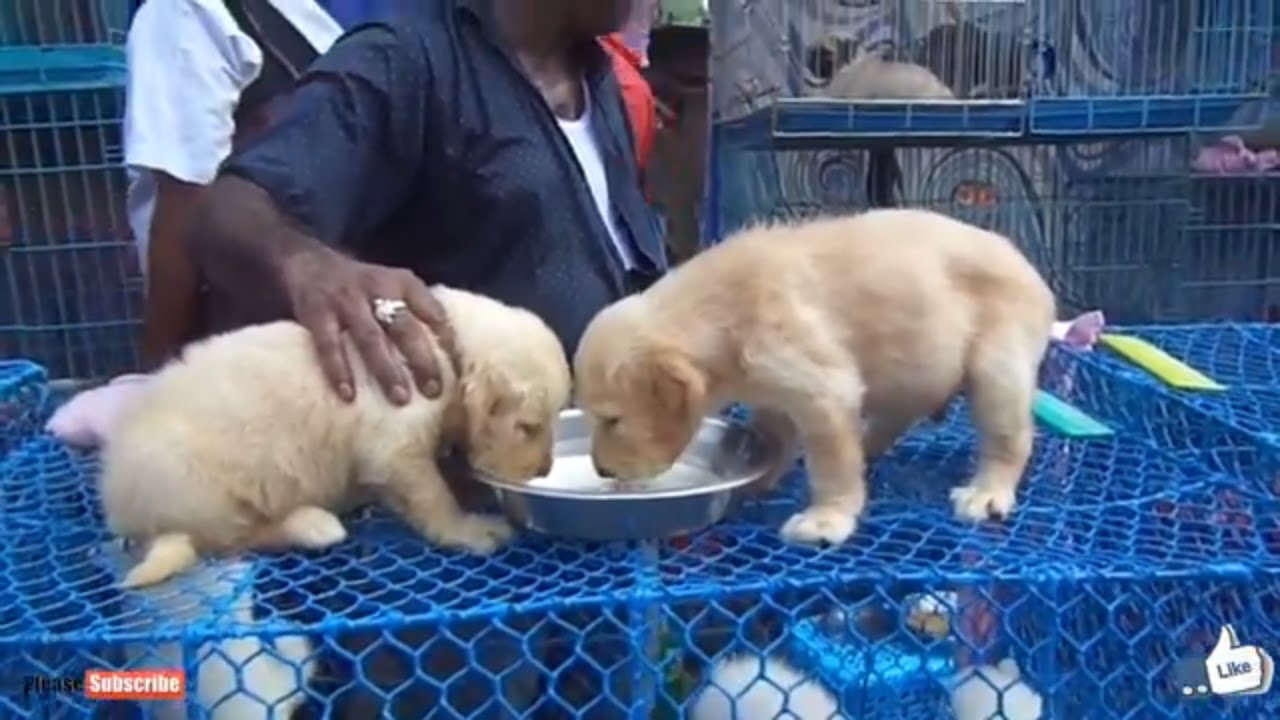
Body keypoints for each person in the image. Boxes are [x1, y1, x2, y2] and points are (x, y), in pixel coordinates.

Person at [186, 1, 668, 716]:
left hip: (583, 503)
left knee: (602, 698)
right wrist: (308, 266)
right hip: (452, 534)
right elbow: (226, 212)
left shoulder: (594, 74)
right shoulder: (407, 62)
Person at [123, 0, 343, 368]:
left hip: (246, 335)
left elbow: (185, 201)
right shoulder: (300, 17)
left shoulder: (181, 13)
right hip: (320, 314)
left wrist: (156, 370)